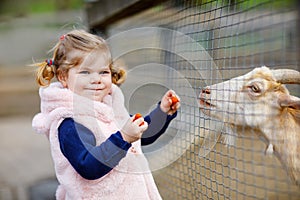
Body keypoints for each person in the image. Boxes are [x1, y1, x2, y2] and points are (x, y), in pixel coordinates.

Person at [32, 29, 180, 200]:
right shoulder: (68, 122)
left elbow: (138, 135)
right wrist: (123, 138)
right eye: (85, 72)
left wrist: (162, 112)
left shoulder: (108, 108)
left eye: (103, 72)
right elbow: (87, 165)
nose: (96, 79)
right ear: (64, 77)